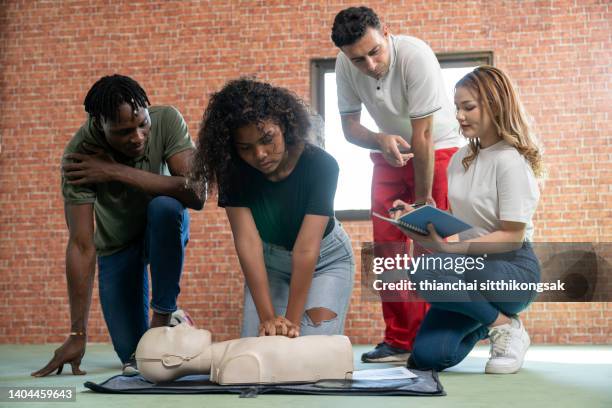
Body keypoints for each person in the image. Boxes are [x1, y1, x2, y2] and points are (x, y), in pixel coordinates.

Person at [31, 74, 205, 377]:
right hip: (118, 246)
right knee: (133, 357)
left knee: (165, 207)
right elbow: (81, 244)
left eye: (142, 123)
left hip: (162, 227)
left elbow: (196, 194)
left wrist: (113, 171)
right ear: (99, 124)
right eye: (123, 131)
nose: (137, 136)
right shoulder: (79, 156)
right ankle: (176, 322)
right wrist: (77, 334)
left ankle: (163, 318)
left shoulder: (167, 120)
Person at [331, 6, 462, 362]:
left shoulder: (415, 56)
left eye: (375, 51)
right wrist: (379, 140)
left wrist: (421, 205)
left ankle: (430, 339)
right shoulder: (346, 64)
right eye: (359, 59)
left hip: (437, 148)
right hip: (390, 153)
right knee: (386, 250)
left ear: (386, 33)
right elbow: (349, 129)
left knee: (427, 246)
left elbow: (424, 134)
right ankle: (399, 341)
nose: (369, 64)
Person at [391, 66, 542, 373]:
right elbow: (461, 225)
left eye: (468, 107)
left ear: (495, 105)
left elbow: (511, 236)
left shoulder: (511, 161)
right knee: (428, 357)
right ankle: (495, 320)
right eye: (457, 107)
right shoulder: (460, 160)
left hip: (513, 269)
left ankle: (505, 328)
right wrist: (415, 220)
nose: (459, 116)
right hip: (469, 264)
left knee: (423, 270)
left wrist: (449, 251)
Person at [191, 78, 354, 339]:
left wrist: (290, 323)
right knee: (262, 348)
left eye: (268, 139)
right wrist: (268, 319)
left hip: (326, 260)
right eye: (246, 148)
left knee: (310, 352)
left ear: (285, 126)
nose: (260, 154)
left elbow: (306, 249)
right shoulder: (232, 171)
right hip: (271, 264)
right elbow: (247, 243)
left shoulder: (322, 165)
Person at [135, 324, 353, 384]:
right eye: (172, 334)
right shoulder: (235, 366)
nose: (181, 326)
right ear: (171, 360)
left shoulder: (230, 355)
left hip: (334, 349)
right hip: (334, 356)